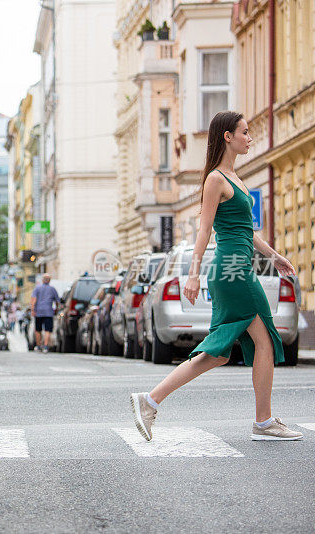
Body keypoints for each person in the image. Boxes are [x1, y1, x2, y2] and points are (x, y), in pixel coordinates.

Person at [131, 111, 302, 442]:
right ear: (227, 136)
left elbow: (246, 230)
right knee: (265, 339)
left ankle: (149, 400)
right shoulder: (215, 179)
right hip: (232, 271)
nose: (250, 137)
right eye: (245, 132)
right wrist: (192, 274)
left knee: (219, 352)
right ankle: (264, 422)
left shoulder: (235, 178)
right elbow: (205, 229)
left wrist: (275, 256)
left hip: (240, 267)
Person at [30, 274, 60, 353]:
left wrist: (32, 310)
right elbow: (57, 301)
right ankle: (45, 346)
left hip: (38, 312)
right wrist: (56, 309)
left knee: (38, 329)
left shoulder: (37, 288)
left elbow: (33, 299)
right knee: (47, 330)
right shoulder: (52, 289)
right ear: (49, 280)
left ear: (42, 280)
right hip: (48, 312)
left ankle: (39, 346)